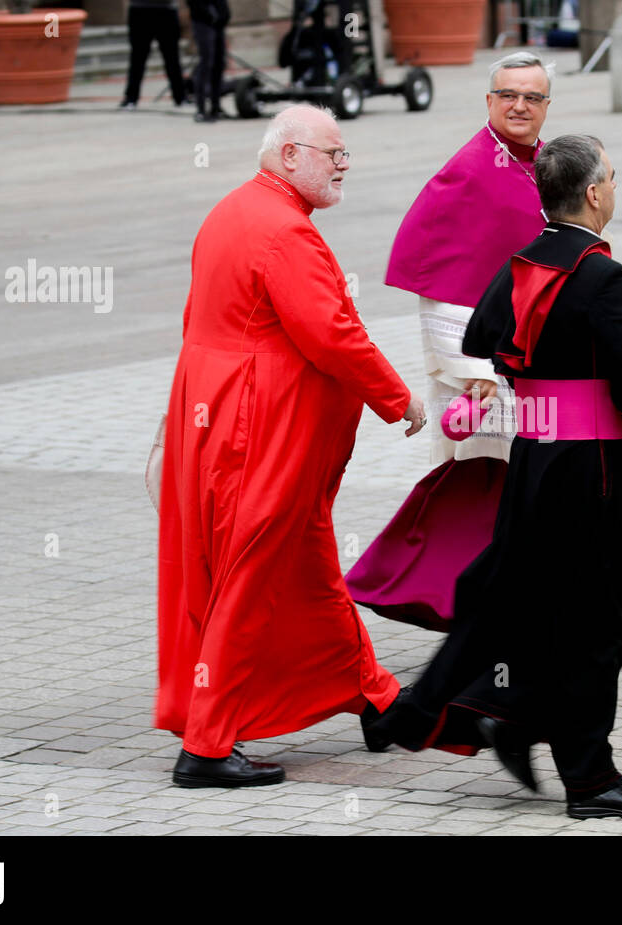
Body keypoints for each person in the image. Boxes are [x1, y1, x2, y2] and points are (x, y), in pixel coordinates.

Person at [365, 135, 622, 819]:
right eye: (614, 178)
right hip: (593, 469)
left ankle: (483, 715)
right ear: (596, 193)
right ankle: (591, 779)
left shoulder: (518, 266)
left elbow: (488, 340)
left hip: (534, 462)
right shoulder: (605, 275)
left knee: (522, 599)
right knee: (604, 620)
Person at [155, 104, 428, 788]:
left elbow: (201, 320)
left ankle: (376, 698)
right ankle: (208, 746)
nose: (342, 164)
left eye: (344, 154)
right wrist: (399, 398)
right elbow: (331, 333)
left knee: (303, 564)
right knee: (252, 573)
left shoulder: (232, 210)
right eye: (331, 152)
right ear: (287, 157)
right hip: (261, 431)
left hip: (221, 416)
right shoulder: (285, 232)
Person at [344, 52, 553, 631]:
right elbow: (441, 283)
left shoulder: (541, 164)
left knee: (525, 491)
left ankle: (508, 610)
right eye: (508, 94)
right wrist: (474, 373)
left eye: (532, 97)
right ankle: (475, 610)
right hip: (484, 381)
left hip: (530, 368)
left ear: (546, 107)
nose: (519, 106)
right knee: (481, 489)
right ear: (488, 101)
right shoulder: (470, 170)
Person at [119, 0, 187, 110]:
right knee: (138, 58)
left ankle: (180, 97)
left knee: (172, 57)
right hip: (140, 9)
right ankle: (131, 98)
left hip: (166, 9)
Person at [188, 0, 230, 122]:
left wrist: (224, 15)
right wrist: (209, 14)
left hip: (218, 23)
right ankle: (201, 109)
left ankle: (215, 107)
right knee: (206, 63)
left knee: (219, 64)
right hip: (202, 21)